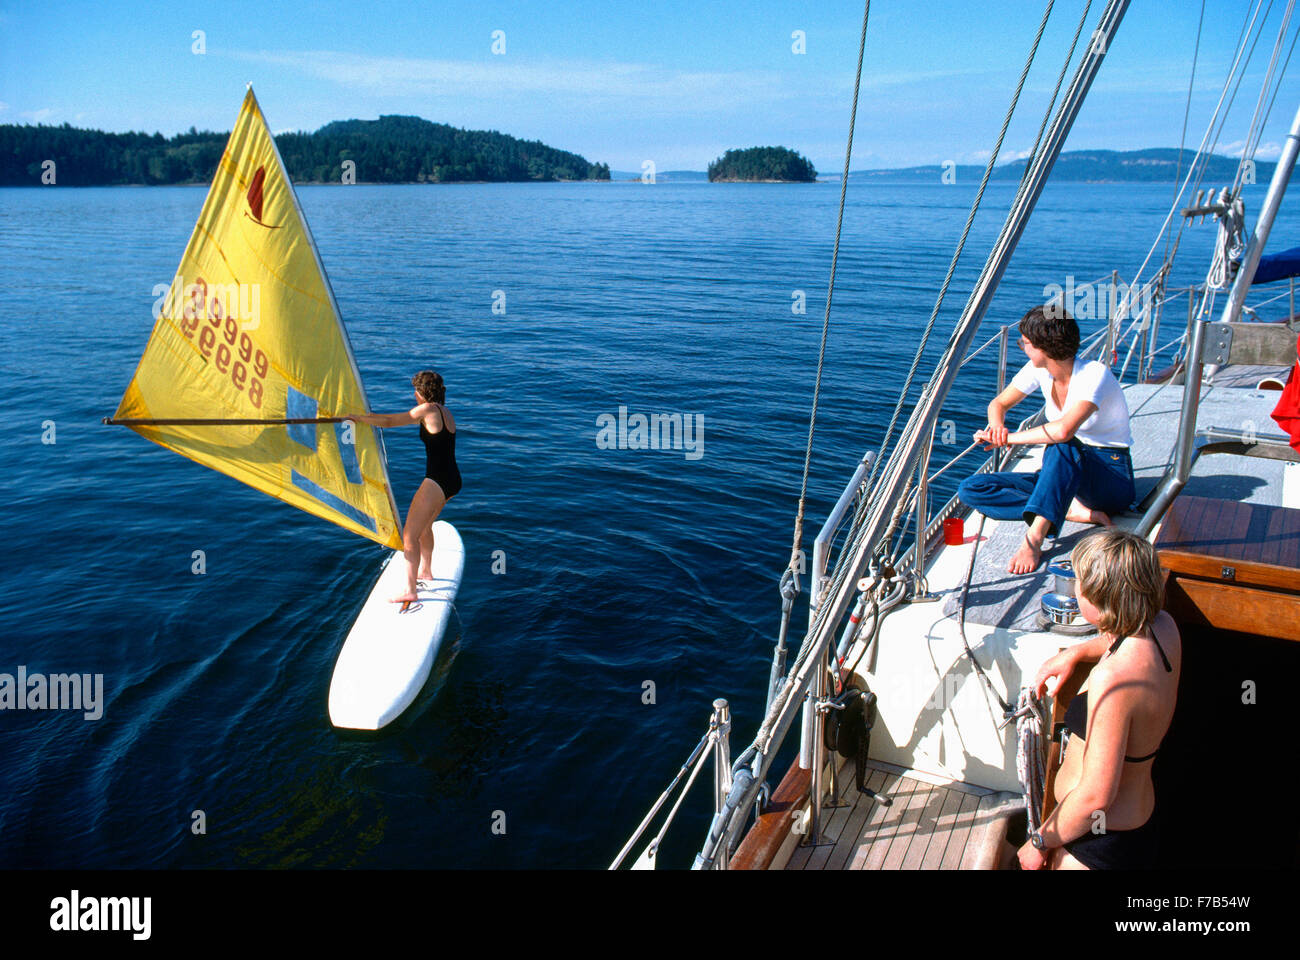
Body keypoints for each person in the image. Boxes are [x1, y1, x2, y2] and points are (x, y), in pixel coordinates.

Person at [1018, 529, 1181, 870]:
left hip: (1094, 840)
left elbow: (1096, 796)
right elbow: (1121, 640)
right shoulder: (1165, 628)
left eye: (1079, 583)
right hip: (1133, 826)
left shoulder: (1114, 680)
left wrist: (1038, 841)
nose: (1075, 590)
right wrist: (1076, 652)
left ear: (1098, 597)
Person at [957, 305, 1136, 574]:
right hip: (1066, 475)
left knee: (1062, 443)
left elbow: (1064, 431)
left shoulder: (1094, 374)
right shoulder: (1038, 370)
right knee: (972, 489)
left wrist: (1008, 441)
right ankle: (1070, 510)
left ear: (1044, 347)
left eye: (1025, 343)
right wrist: (996, 429)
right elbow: (999, 404)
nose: (1022, 347)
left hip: (1109, 477)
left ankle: (1034, 538)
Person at [346, 370, 461, 603]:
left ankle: (411, 589)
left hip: (436, 481)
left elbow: (389, 421)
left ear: (419, 393)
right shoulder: (445, 412)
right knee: (426, 526)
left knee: (409, 536)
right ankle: (426, 570)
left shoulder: (427, 409)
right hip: (452, 480)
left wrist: (360, 418)